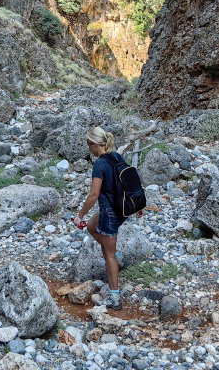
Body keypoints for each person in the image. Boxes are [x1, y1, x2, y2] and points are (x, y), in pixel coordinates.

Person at [73, 126, 139, 310]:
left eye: (88, 145)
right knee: (92, 228)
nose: (88, 149)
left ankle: (114, 298)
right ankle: (118, 257)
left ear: (94, 144)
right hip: (121, 209)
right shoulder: (117, 156)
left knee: (107, 255)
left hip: (109, 213)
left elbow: (93, 195)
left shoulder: (99, 164)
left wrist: (80, 215)